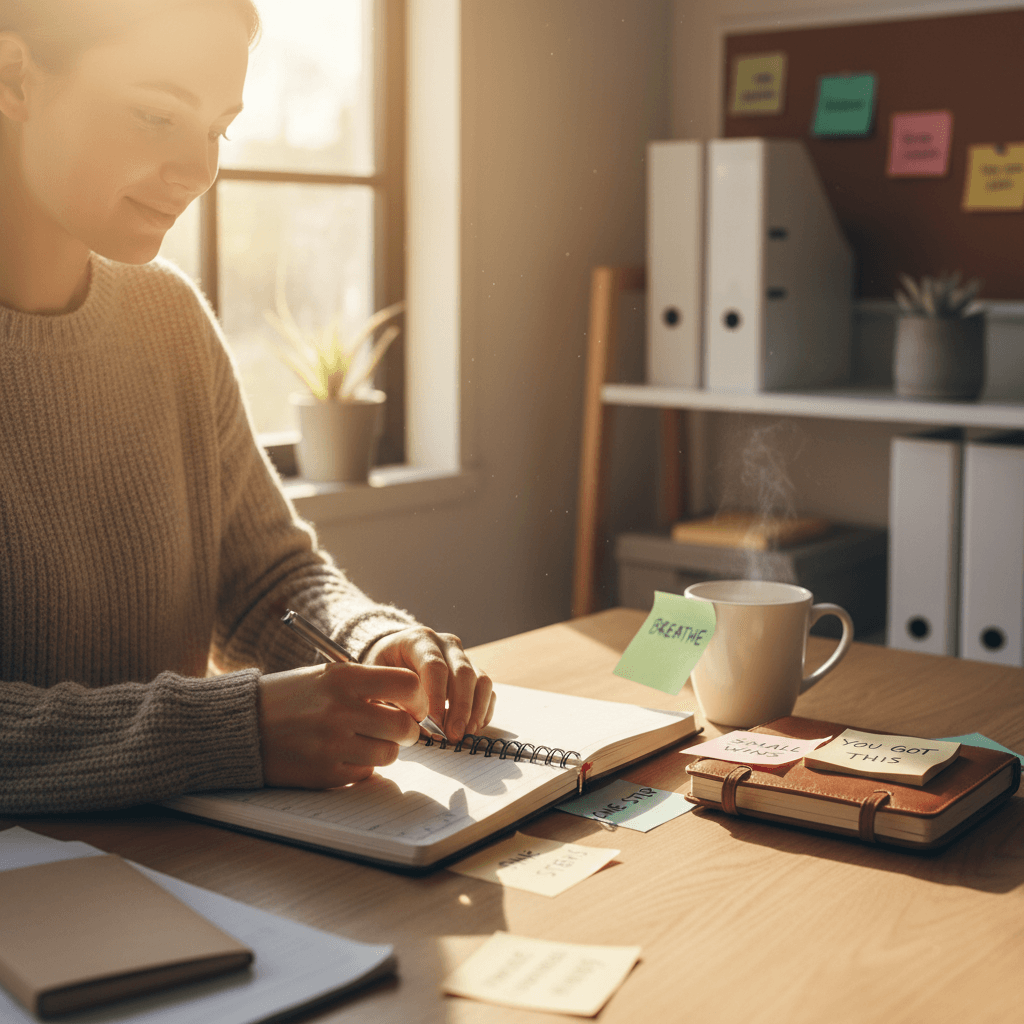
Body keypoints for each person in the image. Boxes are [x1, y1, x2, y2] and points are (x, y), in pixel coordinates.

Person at [0, 0, 494, 814]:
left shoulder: (166, 321)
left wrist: (373, 644)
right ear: (16, 75)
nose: (200, 171)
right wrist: (227, 731)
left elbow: (268, 580)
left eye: (217, 130)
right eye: (156, 113)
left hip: (178, 871)